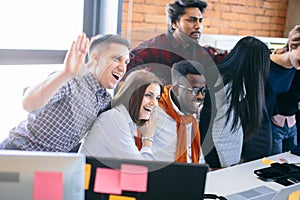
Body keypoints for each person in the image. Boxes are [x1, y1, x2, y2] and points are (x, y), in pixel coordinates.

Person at [126, 0, 225, 168]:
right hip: (156, 122)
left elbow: (227, 61)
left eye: (200, 21)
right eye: (191, 20)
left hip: (187, 119)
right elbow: (126, 74)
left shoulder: (201, 52)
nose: (198, 26)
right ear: (174, 23)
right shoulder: (154, 48)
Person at [0, 33, 131, 152]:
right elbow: (29, 104)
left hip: (49, 163)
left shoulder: (105, 100)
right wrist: (65, 73)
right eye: (116, 59)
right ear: (95, 58)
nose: (122, 67)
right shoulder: (72, 80)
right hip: (19, 151)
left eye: (126, 62)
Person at [209, 36, 270, 167]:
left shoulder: (227, 79)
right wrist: (231, 165)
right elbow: (222, 132)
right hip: (215, 159)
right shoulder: (225, 86)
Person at [242, 25, 300, 161]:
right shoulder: (264, 66)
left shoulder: (295, 68)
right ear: (292, 46)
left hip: (274, 125)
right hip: (255, 127)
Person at [80, 70, 163, 160]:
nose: (155, 104)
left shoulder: (125, 120)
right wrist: (148, 138)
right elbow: (140, 167)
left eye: (157, 98)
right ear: (132, 94)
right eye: (148, 95)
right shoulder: (114, 119)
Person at [146, 60, 206, 164]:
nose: (200, 96)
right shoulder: (153, 111)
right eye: (194, 91)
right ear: (177, 89)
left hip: (188, 173)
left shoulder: (191, 111)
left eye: (203, 91)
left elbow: (193, 150)